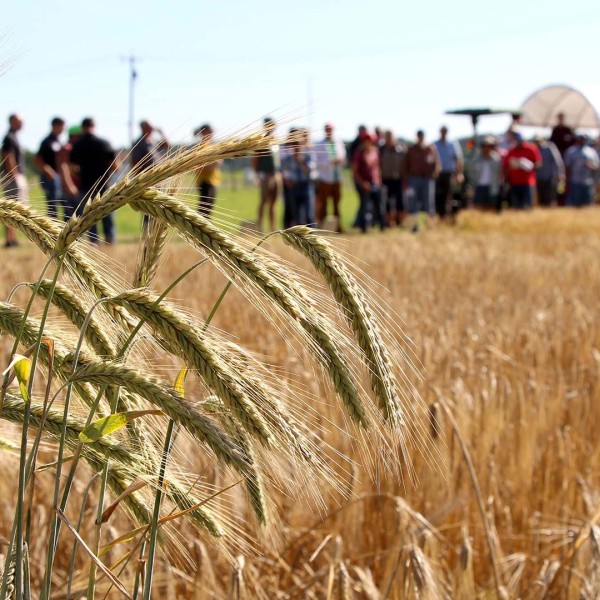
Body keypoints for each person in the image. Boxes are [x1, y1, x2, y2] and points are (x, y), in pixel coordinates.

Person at [69, 117, 116, 243]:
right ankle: (110, 240)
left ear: (82, 127)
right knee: (107, 212)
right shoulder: (104, 143)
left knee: (89, 216)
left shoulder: (77, 145)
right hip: (104, 184)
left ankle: (93, 242)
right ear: (93, 126)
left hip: (86, 185)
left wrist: (79, 174)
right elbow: (115, 166)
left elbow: (72, 168)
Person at [1, 114, 28, 247]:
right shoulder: (9, 137)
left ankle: (13, 239)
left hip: (15, 176)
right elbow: (8, 156)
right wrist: (14, 175)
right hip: (13, 177)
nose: (22, 124)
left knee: (16, 209)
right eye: (19, 121)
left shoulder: (14, 137)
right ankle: (9, 240)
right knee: (11, 209)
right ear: (12, 121)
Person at [313, 122, 346, 231]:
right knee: (324, 204)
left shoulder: (338, 142)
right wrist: (329, 161)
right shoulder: (319, 144)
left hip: (337, 178)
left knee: (337, 204)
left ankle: (338, 227)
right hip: (325, 178)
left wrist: (340, 160)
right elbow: (317, 161)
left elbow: (343, 157)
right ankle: (323, 227)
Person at [352, 131, 385, 233]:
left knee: (379, 205)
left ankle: (382, 226)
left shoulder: (375, 151)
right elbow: (355, 171)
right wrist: (362, 183)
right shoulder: (359, 153)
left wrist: (378, 180)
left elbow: (377, 167)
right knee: (364, 206)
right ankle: (363, 227)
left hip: (375, 182)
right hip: (363, 184)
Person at [34, 117, 67, 220]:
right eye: (61, 126)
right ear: (55, 126)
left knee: (66, 204)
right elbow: (37, 159)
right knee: (52, 207)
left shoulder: (59, 141)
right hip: (50, 179)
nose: (63, 129)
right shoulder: (47, 141)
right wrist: (49, 172)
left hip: (59, 178)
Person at [405, 130, 440, 221]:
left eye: (422, 136)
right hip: (413, 178)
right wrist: (406, 180)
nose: (420, 138)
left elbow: (437, 163)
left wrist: (434, 174)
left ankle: (430, 223)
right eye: (419, 136)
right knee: (413, 202)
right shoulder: (411, 149)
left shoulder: (430, 148)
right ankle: (414, 224)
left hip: (427, 179)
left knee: (429, 202)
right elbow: (406, 165)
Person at [281, 134, 314, 226]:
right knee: (296, 213)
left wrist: (300, 162)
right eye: (294, 144)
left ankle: (311, 233)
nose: (296, 147)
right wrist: (287, 181)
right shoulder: (288, 159)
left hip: (305, 185)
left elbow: (309, 171)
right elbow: (283, 172)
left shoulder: (307, 157)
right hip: (294, 186)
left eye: (298, 144)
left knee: (308, 213)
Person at [253, 116, 280, 232]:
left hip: (276, 174)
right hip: (266, 175)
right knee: (264, 201)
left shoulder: (275, 140)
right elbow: (255, 160)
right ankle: (260, 227)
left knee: (273, 202)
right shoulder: (262, 141)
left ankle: (273, 227)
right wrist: (258, 175)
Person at [503, 132, 541, 209]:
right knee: (516, 206)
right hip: (514, 183)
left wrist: (528, 165)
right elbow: (505, 166)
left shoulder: (531, 149)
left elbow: (538, 163)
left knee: (527, 205)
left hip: (528, 182)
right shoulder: (511, 151)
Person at [434, 126, 464, 219]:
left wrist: (459, 173)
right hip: (438, 175)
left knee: (449, 196)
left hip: (450, 174)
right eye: (442, 131)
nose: (443, 133)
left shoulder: (452, 144)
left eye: (445, 131)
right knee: (438, 196)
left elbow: (458, 160)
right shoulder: (435, 144)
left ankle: (449, 216)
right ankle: (440, 215)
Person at [564, 134, 600, 207]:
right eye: (580, 139)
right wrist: (567, 180)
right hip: (575, 181)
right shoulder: (571, 151)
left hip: (588, 181)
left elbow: (597, 166)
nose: (582, 141)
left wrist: (590, 165)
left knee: (587, 203)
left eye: (584, 139)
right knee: (575, 203)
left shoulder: (591, 152)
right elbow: (567, 167)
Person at [193, 124, 221, 217]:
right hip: (205, 181)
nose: (212, 133)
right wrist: (212, 164)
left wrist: (213, 163)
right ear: (204, 132)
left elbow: (219, 160)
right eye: (210, 131)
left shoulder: (212, 145)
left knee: (208, 208)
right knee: (204, 208)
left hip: (213, 180)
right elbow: (200, 166)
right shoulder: (201, 147)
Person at [468, 136, 502, 211]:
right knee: (478, 207)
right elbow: (472, 174)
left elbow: (499, 173)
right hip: (479, 187)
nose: (487, 148)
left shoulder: (496, 159)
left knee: (491, 207)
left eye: (489, 146)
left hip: (492, 187)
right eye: (485, 146)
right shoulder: (476, 160)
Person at [379, 130, 405, 226]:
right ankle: (389, 222)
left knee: (400, 202)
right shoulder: (381, 150)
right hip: (385, 179)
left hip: (397, 179)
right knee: (387, 203)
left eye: (390, 136)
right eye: (387, 136)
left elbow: (404, 166)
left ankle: (400, 222)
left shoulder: (400, 149)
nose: (389, 138)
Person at [533, 137, 564, 207]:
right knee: (540, 196)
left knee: (549, 196)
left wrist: (559, 173)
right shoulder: (535, 149)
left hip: (549, 176)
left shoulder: (549, 148)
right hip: (538, 177)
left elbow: (557, 162)